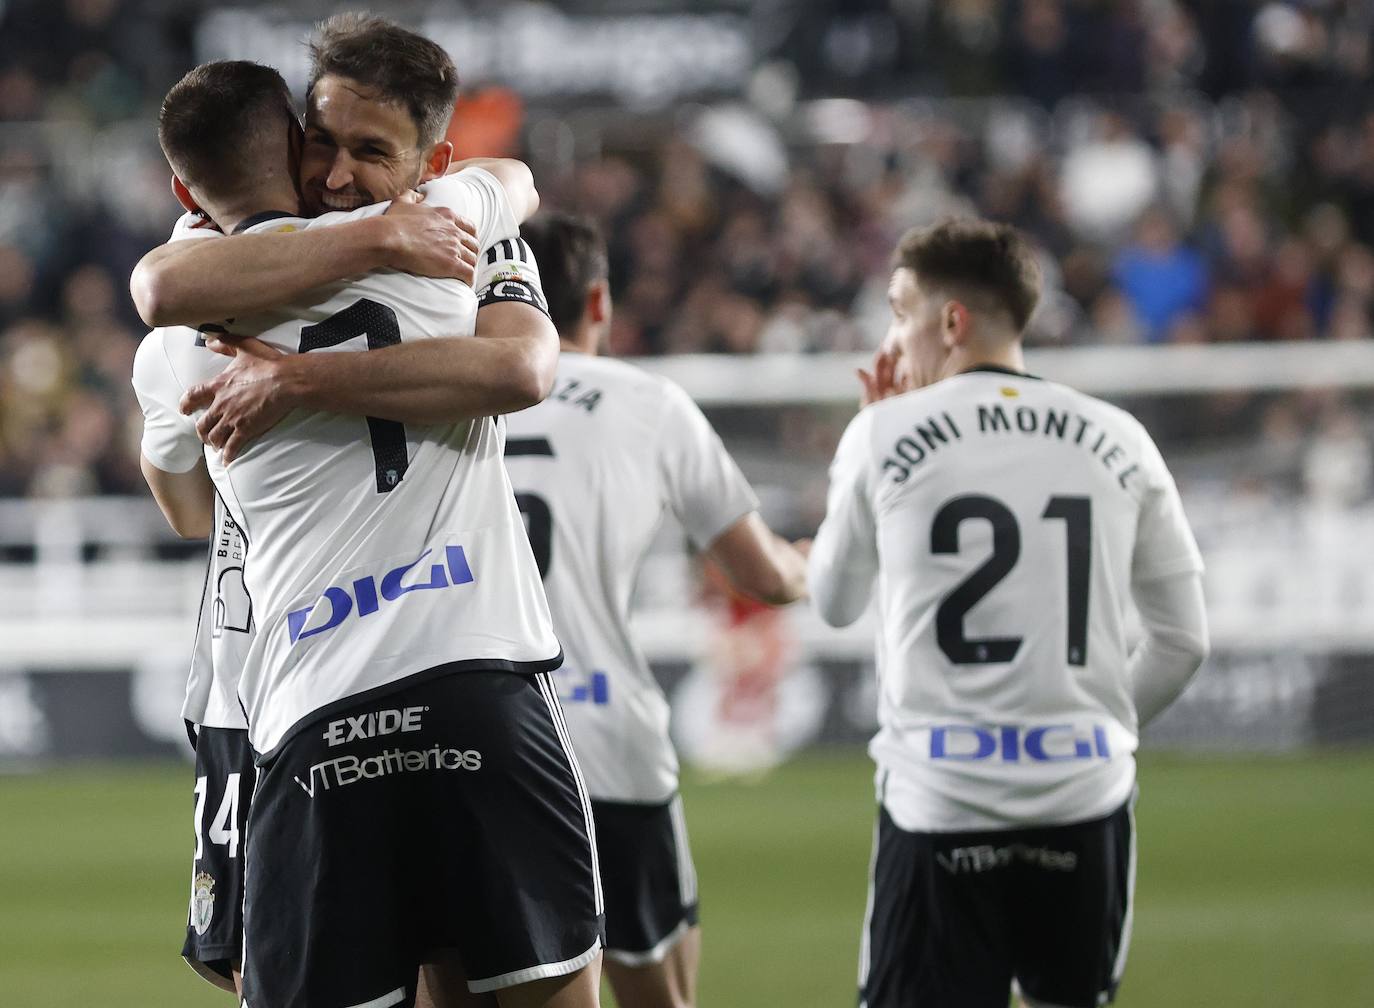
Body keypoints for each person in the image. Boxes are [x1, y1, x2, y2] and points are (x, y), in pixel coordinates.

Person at [133, 57, 602, 1008]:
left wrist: (289, 392)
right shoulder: (446, 248)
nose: (341, 172)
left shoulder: (178, 341)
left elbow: (187, 510)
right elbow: (521, 331)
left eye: (367, 151)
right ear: (299, 142)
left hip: (315, 713)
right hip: (484, 683)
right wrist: (391, 226)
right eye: (328, 145)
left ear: (184, 188)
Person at [807, 218, 1209, 1008]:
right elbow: (1184, 641)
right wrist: (1093, 725)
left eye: (899, 310)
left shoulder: (882, 432)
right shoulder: (1120, 437)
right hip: (1083, 798)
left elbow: (834, 601)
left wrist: (870, 441)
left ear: (951, 321)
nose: (891, 338)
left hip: (940, 798)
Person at [502, 213, 809, 1008]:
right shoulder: (649, 403)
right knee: (658, 993)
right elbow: (764, 576)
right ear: (598, 302)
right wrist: (827, 560)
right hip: (606, 736)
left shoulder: (449, 395)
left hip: (482, 740)